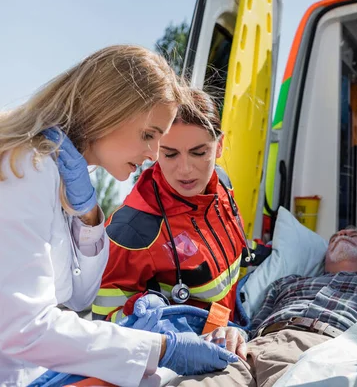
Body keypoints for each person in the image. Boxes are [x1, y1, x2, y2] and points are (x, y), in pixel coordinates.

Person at [0, 45, 238, 387]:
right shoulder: (26, 168)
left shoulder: (63, 177)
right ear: (108, 110)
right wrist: (160, 347)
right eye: (149, 135)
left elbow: (77, 297)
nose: (153, 154)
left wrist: (90, 218)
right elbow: (23, 330)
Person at [166, 227, 357, 387]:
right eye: (336, 237)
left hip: (324, 351)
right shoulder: (288, 282)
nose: (343, 234)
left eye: (353, 234)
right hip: (255, 348)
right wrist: (236, 333)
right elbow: (254, 325)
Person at [92, 89, 250, 324]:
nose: (185, 169)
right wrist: (169, 332)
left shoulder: (221, 184)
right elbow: (104, 323)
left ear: (219, 146)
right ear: (155, 150)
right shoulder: (132, 230)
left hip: (234, 327)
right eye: (170, 154)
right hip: (188, 353)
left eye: (199, 153)